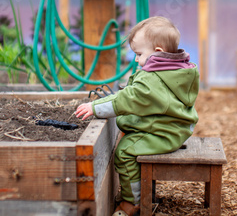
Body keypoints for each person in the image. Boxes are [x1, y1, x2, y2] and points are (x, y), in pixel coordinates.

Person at [75, 16, 199, 216]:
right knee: (128, 123)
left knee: (124, 151)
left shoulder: (152, 80)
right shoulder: (178, 70)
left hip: (165, 132)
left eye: (139, 54)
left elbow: (127, 99)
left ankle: (132, 202)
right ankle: (135, 190)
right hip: (176, 126)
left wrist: (95, 107)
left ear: (157, 52)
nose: (135, 59)